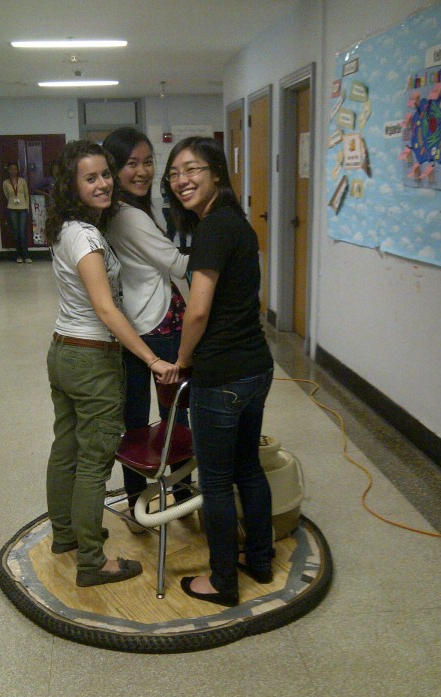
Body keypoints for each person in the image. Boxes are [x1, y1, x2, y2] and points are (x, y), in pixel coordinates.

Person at [44, 139, 178, 587]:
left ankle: (66, 535)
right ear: (72, 183)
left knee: (67, 449)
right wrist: (151, 358)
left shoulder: (67, 227)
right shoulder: (86, 238)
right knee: (93, 460)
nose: (103, 184)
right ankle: (91, 561)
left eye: (105, 174)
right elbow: (106, 309)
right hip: (90, 359)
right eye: (91, 177)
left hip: (62, 351)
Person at [163, 136, 275, 607]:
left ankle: (223, 582)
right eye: (174, 175)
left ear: (215, 174)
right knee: (248, 467)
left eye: (191, 170)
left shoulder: (211, 230)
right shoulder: (239, 225)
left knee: (214, 480)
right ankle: (261, 560)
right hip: (256, 367)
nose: (181, 181)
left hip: (222, 375)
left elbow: (198, 312)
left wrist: (182, 359)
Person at [103, 127, 192, 527]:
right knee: (174, 414)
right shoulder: (130, 215)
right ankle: (183, 494)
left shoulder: (122, 209)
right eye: (130, 164)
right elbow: (177, 264)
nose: (142, 171)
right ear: (113, 169)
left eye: (147, 161)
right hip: (158, 325)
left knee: (136, 419)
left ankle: (140, 504)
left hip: (138, 325)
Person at [3, 162, 31, 262]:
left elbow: (26, 194)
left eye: (15, 169)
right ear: (8, 170)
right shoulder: (6, 182)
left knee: (22, 232)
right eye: (11, 169)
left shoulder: (22, 181)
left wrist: (27, 207)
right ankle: (18, 255)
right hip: (12, 209)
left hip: (23, 209)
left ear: (17, 170)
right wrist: (13, 203)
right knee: (16, 232)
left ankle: (26, 256)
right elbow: (7, 195)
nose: (13, 171)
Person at [160, 176, 187, 249]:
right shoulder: (176, 179)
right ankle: (183, 250)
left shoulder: (164, 180)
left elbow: (163, 194)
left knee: (171, 231)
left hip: (166, 207)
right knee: (181, 229)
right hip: (175, 207)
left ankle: (168, 249)